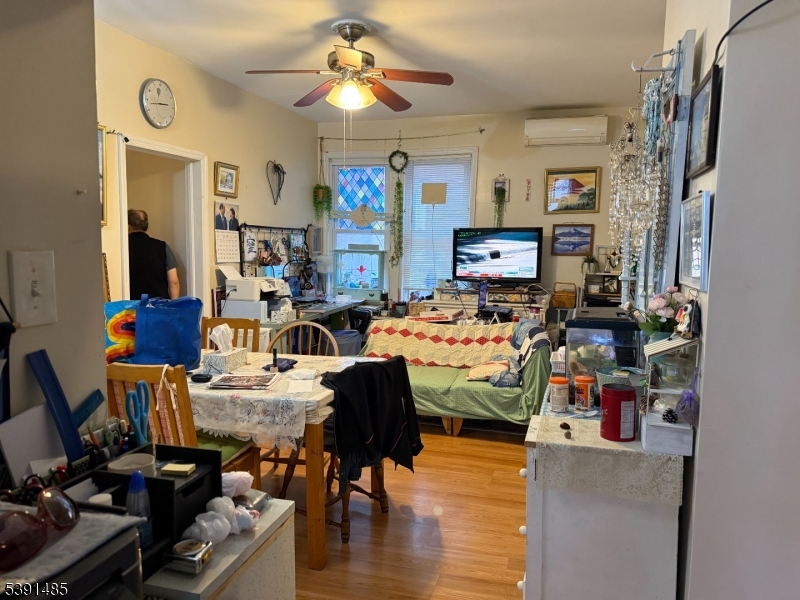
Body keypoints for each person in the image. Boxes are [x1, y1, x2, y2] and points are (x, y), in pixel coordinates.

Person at [128, 209, 180, 300]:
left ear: (128, 227)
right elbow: (173, 281)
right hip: (159, 305)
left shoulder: (122, 248)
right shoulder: (162, 247)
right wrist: (173, 306)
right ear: (146, 226)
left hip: (131, 305)